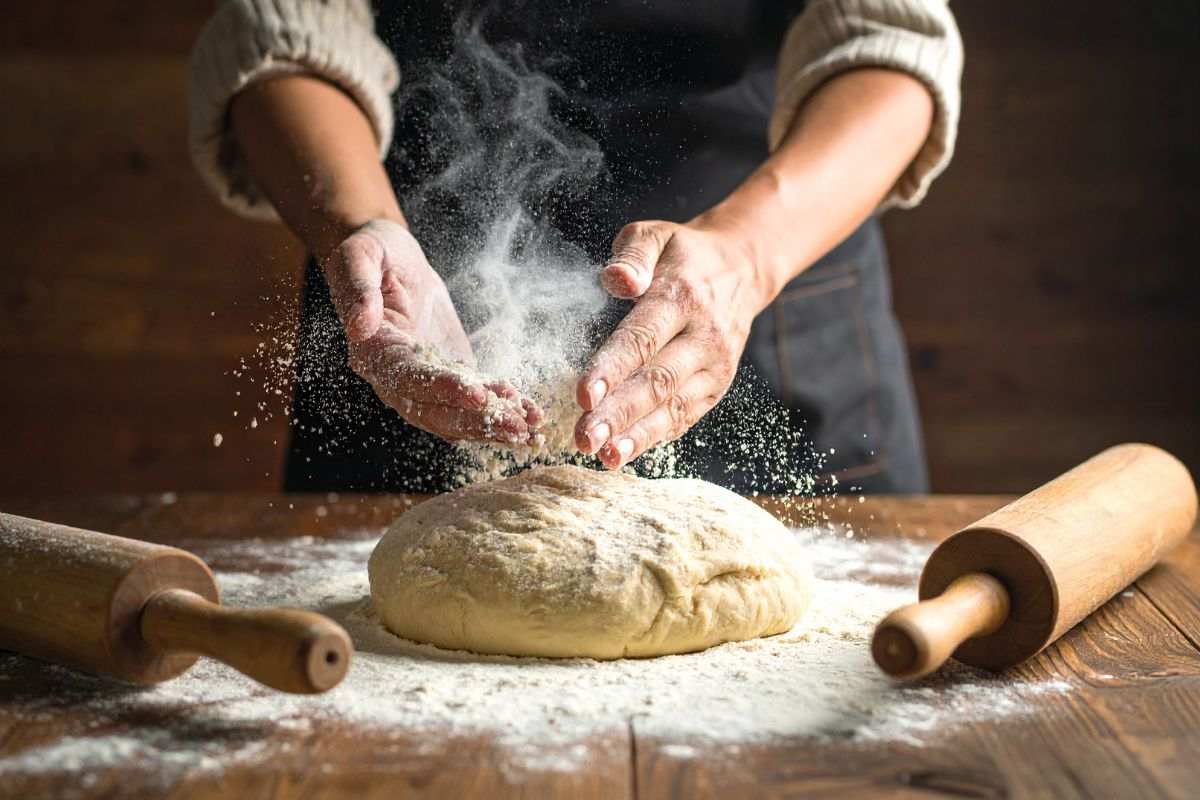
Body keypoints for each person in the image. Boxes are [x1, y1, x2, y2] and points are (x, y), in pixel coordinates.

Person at [189, 0, 962, 494]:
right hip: (420, 332)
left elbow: (890, 38)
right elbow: (287, 29)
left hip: (770, 301)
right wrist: (365, 227)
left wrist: (747, 255)